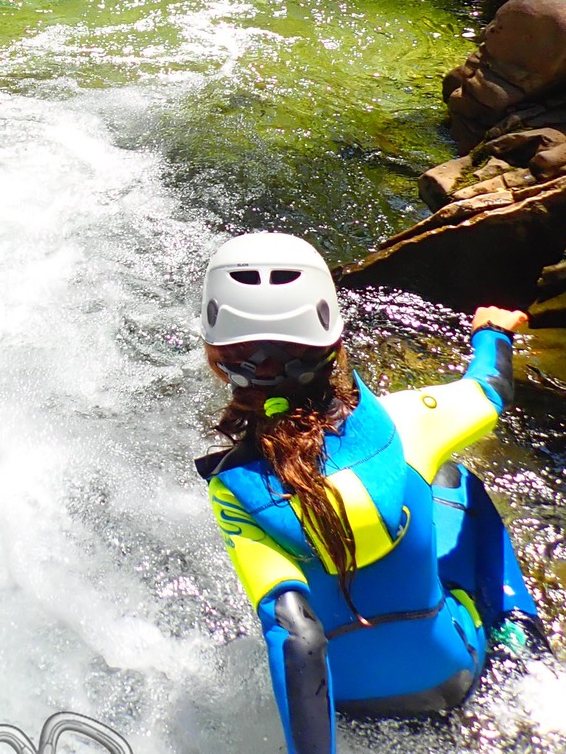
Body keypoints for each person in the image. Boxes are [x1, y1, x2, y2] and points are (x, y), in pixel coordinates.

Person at [195, 231, 545, 754]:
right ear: (334, 344)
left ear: (217, 357)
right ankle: (519, 635)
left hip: (345, 706)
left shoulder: (232, 489)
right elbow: (491, 390)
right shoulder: (408, 422)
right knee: (454, 482)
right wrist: (492, 333)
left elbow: (298, 637)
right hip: (450, 677)